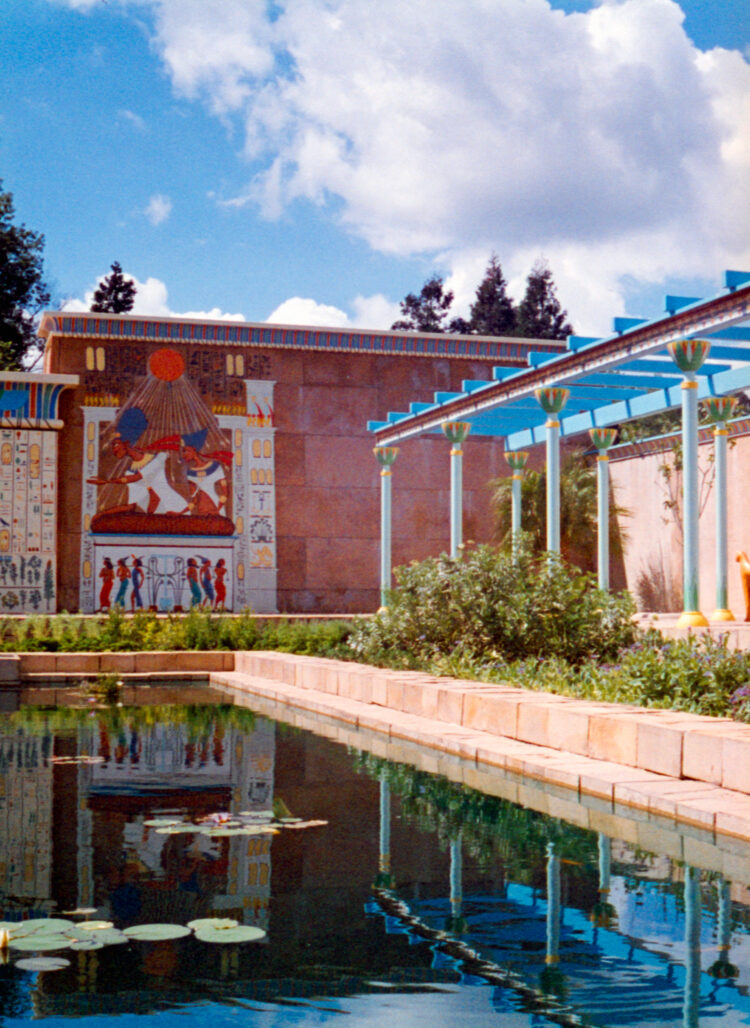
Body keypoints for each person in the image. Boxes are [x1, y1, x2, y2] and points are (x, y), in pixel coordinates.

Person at [180, 428, 233, 516]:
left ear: (194, 450)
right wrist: (180, 513)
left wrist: (217, 509)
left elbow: (225, 492)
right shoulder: (189, 473)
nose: (184, 455)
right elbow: (195, 499)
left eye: (186, 451)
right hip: (201, 510)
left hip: (215, 507)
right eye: (183, 451)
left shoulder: (215, 466)